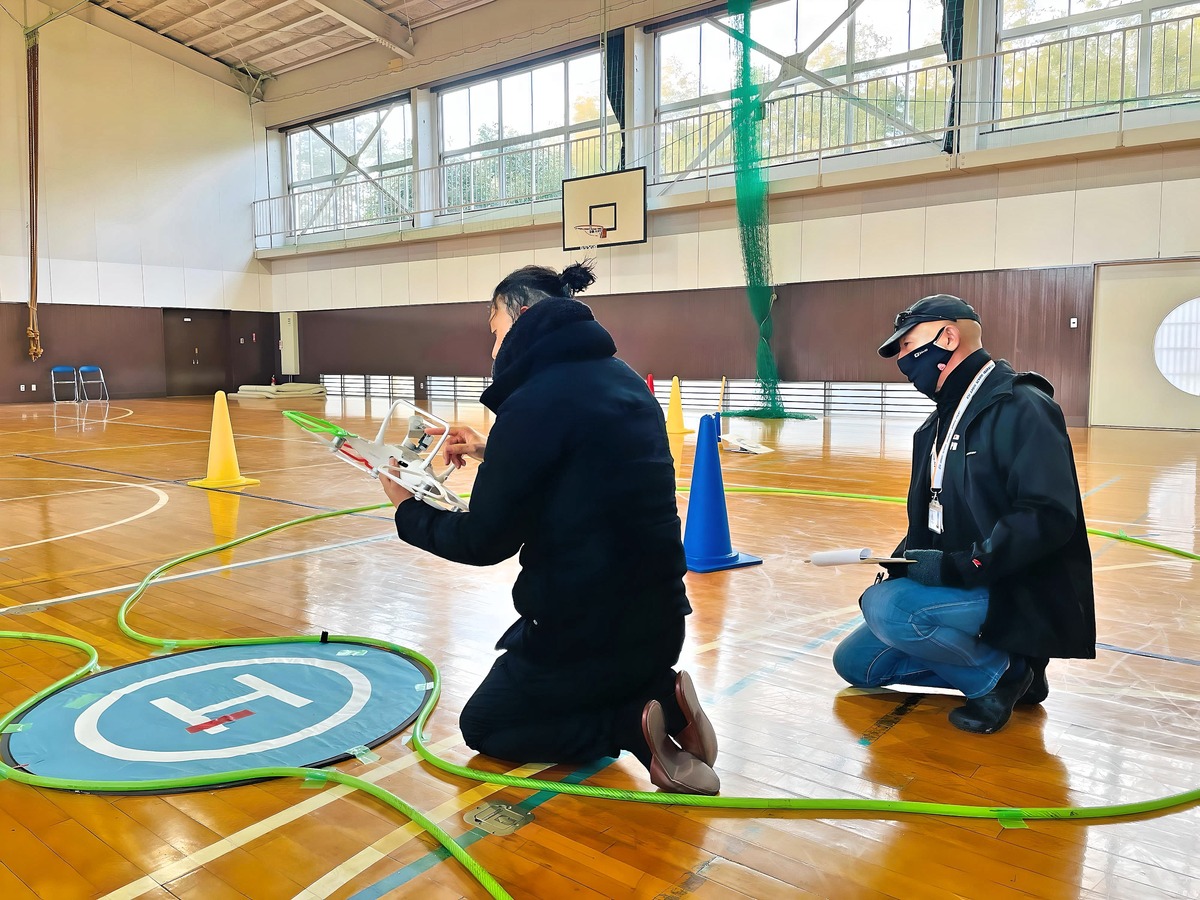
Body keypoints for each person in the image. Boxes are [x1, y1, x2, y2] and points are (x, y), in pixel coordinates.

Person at [379, 261, 720, 794]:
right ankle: (666, 701)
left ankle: (630, 724)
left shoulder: (534, 400)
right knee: (604, 664)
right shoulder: (626, 379)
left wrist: (407, 508)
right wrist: (493, 448)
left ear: (520, 316)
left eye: (494, 333)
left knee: (487, 725)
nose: (493, 352)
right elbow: (587, 466)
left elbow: (484, 540)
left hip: (584, 635)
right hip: (661, 625)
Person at [832, 294, 1096, 734]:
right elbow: (934, 513)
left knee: (890, 610)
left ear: (947, 336)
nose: (901, 359)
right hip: (968, 581)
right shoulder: (933, 425)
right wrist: (905, 560)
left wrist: (961, 565)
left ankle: (999, 675)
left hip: (1015, 583)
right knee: (857, 665)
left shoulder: (1023, 406)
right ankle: (1017, 664)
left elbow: (1047, 515)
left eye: (906, 345)